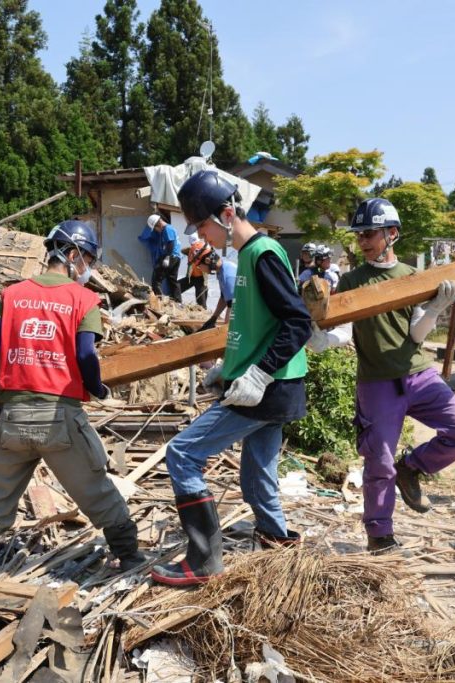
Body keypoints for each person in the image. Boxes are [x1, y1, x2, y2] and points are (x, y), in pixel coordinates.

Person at [150, 170, 312, 586]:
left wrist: (257, 373)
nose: (199, 236)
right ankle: (282, 563)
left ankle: (203, 561)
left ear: (226, 213)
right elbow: (258, 325)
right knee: (257, 476)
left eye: (202, 224)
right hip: (271, 388)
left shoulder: (263, 253)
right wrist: (232, 365)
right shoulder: (247, 258)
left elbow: (298, 322)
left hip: (268, 389)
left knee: (182, 455)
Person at [0, 220, 146, 576]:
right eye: (87, 259)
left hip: (12, 418)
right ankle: (131, 556)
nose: (88, 268)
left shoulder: (13, 295)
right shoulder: (84, 299)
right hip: (60, 417)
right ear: (72, 254)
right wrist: (96, 386)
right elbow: (87, 354)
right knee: (96, 491)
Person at [310, 198, 455, 552]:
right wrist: (321, 340)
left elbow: (417, 334)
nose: (363, 241)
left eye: (370, 233)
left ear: (392, 233)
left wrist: (435, 308)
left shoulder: (411, 278)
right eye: (359, 235)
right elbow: (346, 330)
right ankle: (379, 534)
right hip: (376, 383)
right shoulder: (352, 281)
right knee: (379, 462)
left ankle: (413, 468)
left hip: (418, 375)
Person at [139, 213, 182, 302]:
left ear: (157, 224)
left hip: (170, 256)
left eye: (155, 228)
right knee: (172, 280)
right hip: (176, 257)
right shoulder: (169, 228)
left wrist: (167, 257)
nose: (155, 230)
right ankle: (178, 302)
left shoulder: (167, 229)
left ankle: (160, 301)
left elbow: (170, 244)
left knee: (156, 280)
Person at [197, 249, 237, 331]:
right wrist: (214, 318)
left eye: (199, 266)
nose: (200, 269)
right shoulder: (221, 271)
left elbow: (233, 306)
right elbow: (223, 298)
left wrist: (226, 330)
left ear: (207, 261)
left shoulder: (227, 274)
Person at [178, 237, 213, 307]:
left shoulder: (205, 253)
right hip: (191, 277)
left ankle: (203, 314)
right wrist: (191, 249)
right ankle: (177, 303)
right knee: (177, 286)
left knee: (201, 302)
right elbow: (182, 250)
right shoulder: (191, 252)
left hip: (201, 279)